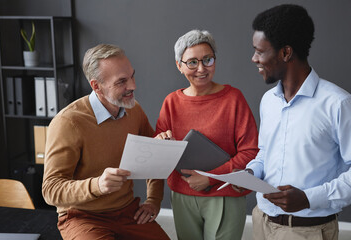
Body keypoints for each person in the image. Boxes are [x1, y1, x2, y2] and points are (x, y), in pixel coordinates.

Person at [42, 44, 170, 240]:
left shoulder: (134, 110)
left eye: (132, 76)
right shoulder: (68, 123)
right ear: (96, 86)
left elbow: (153, 158)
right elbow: (50, 190)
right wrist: (98, 185)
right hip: (82, 216)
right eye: (121, 82)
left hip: (127, 211)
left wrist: (153, 199)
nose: (133, 86)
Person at [246, 4, 351, 240]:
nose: (254, 59)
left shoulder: (338, 104)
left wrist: (308, 198)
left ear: (285, 53)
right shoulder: (268, 101)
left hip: (306, 231)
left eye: (260, 51)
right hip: (261, 221)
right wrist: (250, 172)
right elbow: (265, 152)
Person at [155, 29, 259, 240]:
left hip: (224, 194)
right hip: (182, 195)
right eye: (192, 62)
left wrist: (210, 178)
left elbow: (250, 152)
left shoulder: (233, 99)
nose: (201, 68)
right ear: (179, 66)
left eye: (207, 60)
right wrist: (161, 143)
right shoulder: (171, 102)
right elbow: (159, 155)